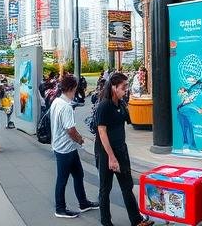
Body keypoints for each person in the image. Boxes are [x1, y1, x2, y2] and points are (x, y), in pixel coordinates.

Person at [94, 72, 150, 226]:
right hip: (106, 152)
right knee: (105, 188)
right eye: (124, 87)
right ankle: (106, 222)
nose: (126, 89)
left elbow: (129, 121)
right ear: (114, 87)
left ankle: (136, 220)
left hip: (121, 150)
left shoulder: (121, 103)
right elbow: (102, 132)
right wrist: (111, 157)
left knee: (127, 186)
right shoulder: (104, 106)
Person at [48, 75, 98, 219]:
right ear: (72, 88)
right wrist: (80, 140)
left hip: (63, 146)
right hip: (65, 148)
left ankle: (83, 203)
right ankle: (60, 208)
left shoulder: (56, 101)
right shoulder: (66, 107)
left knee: (78, 174)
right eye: (76, 87)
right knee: (62, 179)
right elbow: (70, 130)